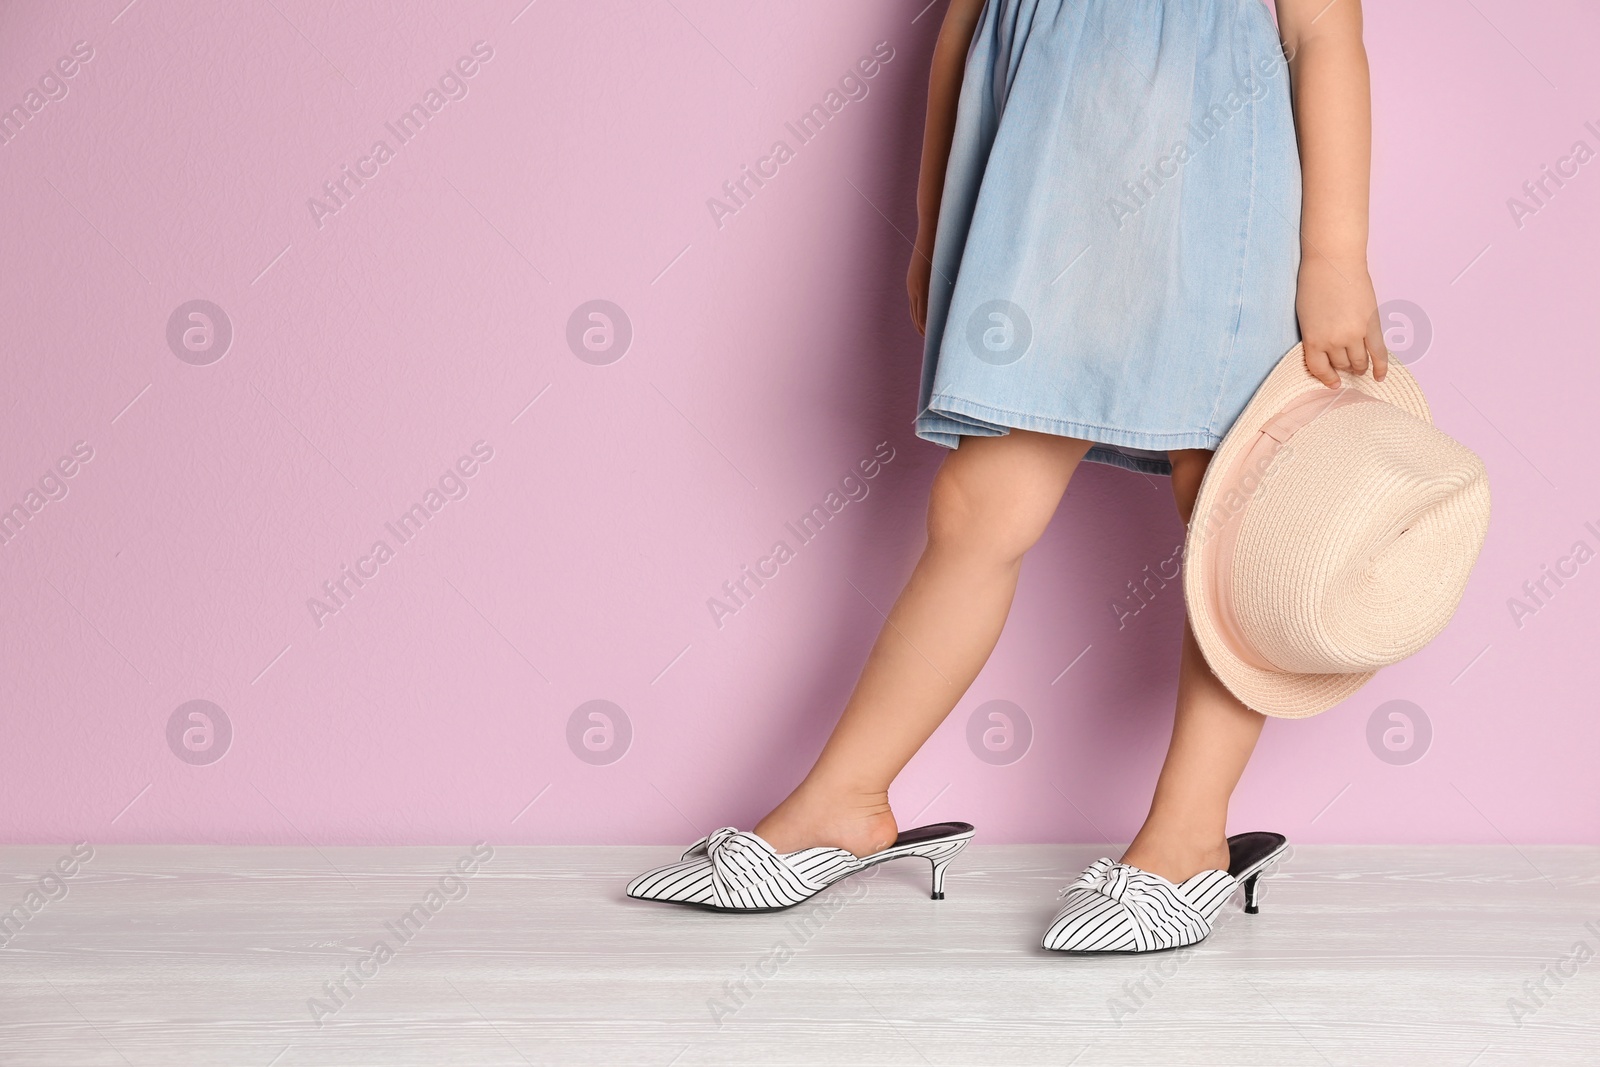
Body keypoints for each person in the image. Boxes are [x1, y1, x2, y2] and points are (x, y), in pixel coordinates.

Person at [629, 0, 1385, 951]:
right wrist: (930, 224)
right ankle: (845, 802)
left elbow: (1323, 34)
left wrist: (1334, 259)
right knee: (975, 510)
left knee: (1233, 524)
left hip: (1217, 199)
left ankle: (1190, 837)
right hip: (1046, 213)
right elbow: (962, 34)